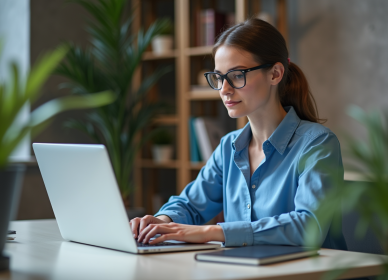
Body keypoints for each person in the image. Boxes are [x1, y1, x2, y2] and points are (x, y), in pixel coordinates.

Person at [130, 18, 347, 250]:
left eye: (236, 75)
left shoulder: (317, 143)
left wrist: (213, 232)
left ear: (275, 74)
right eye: (219, 77)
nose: (224, 89)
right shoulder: (228, 147)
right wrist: (161, 222)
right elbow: (191, 205)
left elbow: (309, 225)